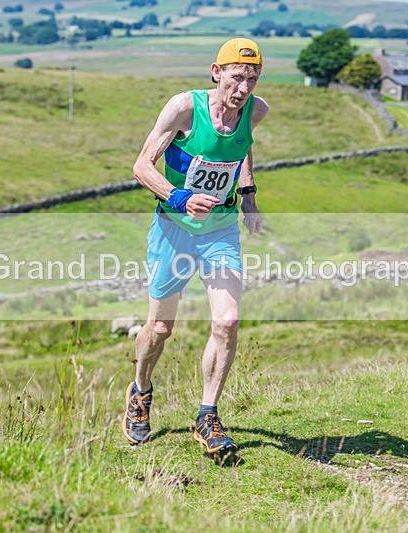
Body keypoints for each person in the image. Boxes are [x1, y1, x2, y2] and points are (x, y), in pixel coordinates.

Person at [123, 38, 269, 462]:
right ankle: (140, 390)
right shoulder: (185, 108)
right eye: (237, 77)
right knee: (160, 329)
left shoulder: (256, 111)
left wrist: (249, 196)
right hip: (173, 229)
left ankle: (207, 416)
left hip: (219, 230)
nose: (244, 88)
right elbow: (141, 166)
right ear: (216, 72)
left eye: (252, 79)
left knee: (228, 321)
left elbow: (241, 147)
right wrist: (179, 197)